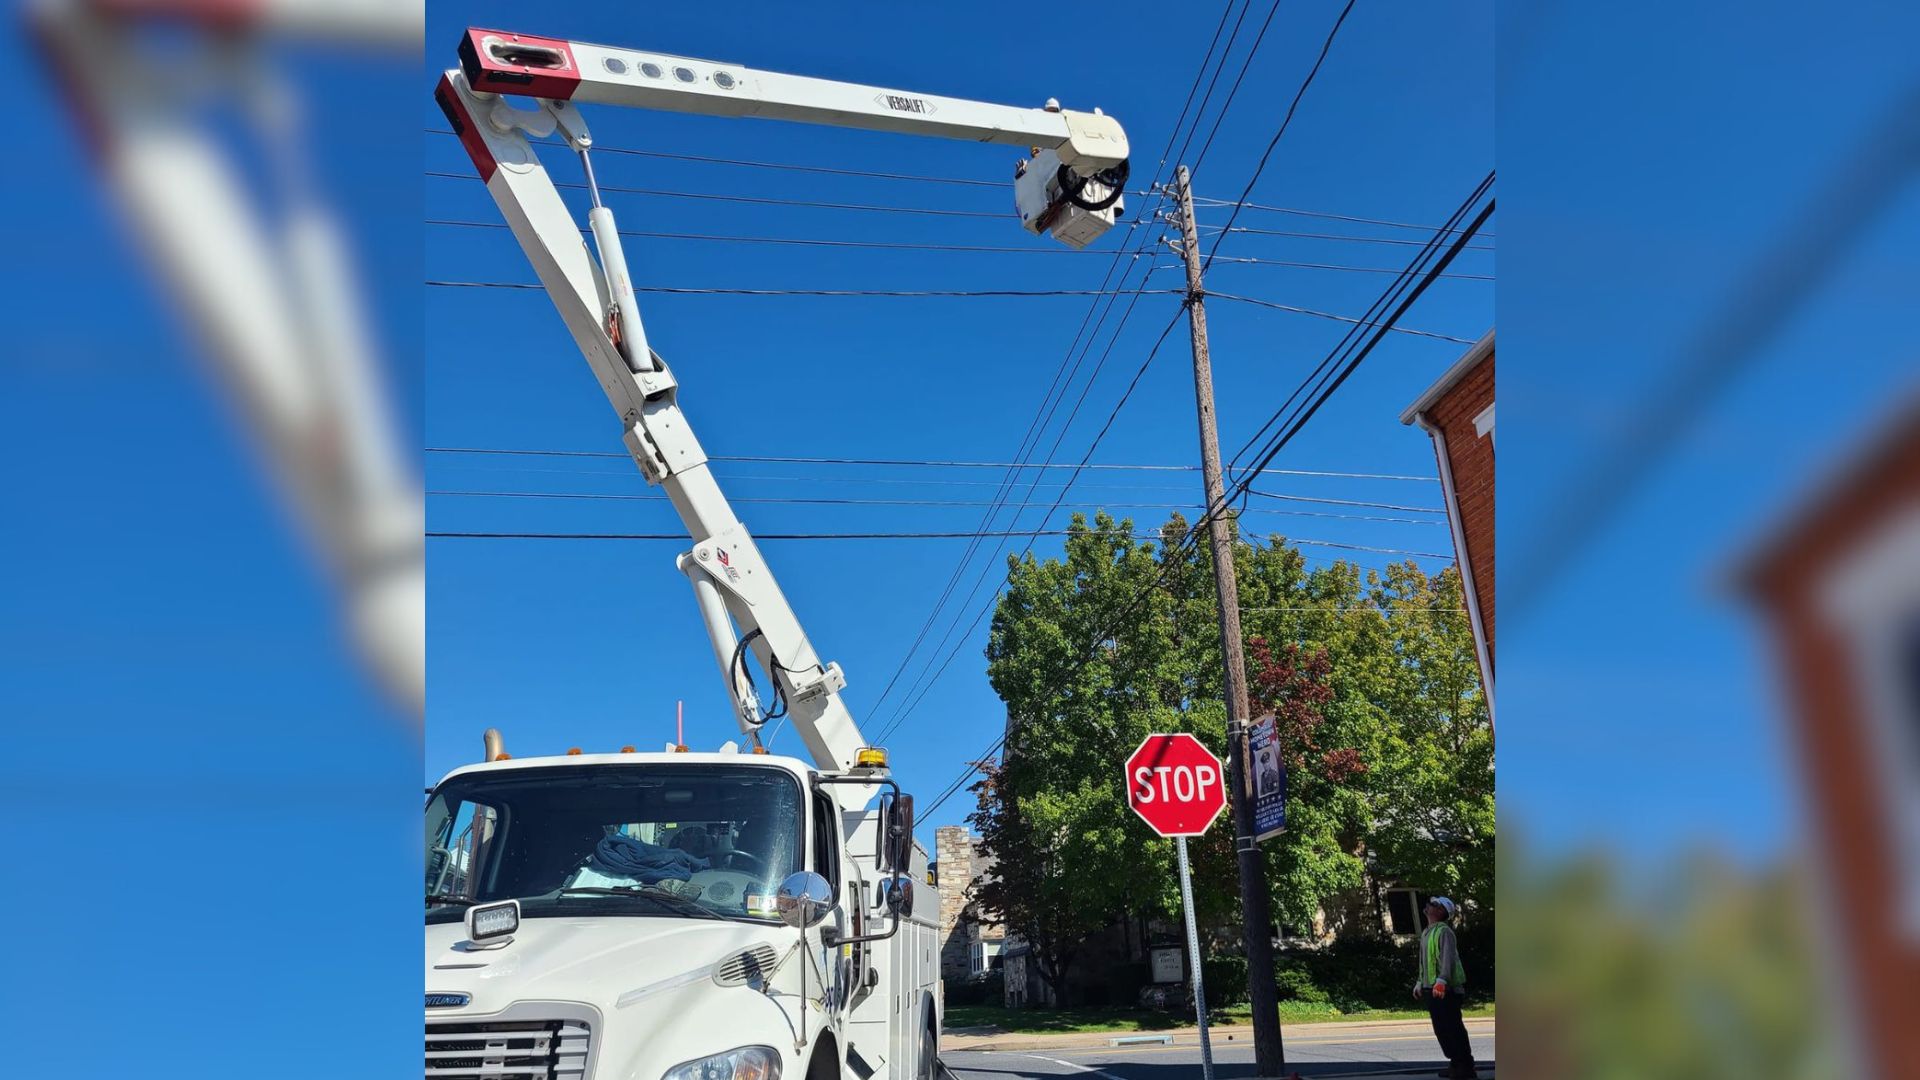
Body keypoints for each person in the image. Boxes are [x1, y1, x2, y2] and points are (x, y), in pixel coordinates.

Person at [1413, 896, 1477, 1079]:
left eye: (1434, 904)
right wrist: (1420, 981)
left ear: (1442, 912)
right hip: (1430, 988)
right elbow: (1424, 962)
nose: (1428, 905)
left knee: (1453, 1028)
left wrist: (1442, 980)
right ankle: (1455, 1063)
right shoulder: (1427, 932)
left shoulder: (1444, 932)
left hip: (1446, 990)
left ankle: (1465, 1066)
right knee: (1441, 1030)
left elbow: (1447, 959)